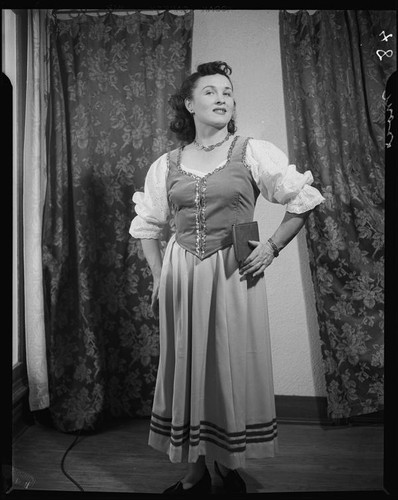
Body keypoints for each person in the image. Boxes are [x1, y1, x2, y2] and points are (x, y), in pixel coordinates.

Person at [129, 61, 325, 495]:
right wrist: (161, 276)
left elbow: (303, 199)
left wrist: (271, 247)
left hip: (234, 270)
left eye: (228, 92)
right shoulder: (168, 163)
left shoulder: (252, 151)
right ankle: (196, 469)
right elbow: (148, 225)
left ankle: (228, 463)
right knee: (189, 364)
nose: (222, 98)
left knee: (229, 366)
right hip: (184, 272)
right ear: (189, 103)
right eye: (211, 91)